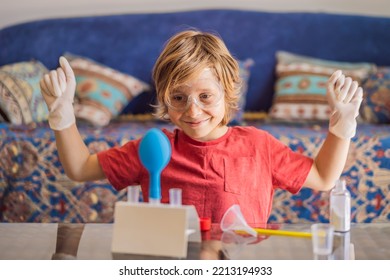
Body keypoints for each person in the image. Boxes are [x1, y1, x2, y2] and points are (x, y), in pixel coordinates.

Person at [40, 29, 363, 225]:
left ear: (228, 92)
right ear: (164, 98)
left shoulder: (258, 145)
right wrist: (62, 115)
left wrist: (342, 126)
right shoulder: (154, 148)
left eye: (206, 96)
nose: (192, 110)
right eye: (178, 97)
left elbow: (322, 178)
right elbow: (81, 169)